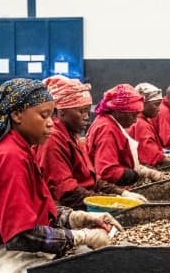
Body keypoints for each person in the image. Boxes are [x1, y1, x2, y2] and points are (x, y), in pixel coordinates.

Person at [0, 78, 121, 273]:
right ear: (16, 115)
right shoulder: (10, 158)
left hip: (11, 258)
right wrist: (82, 236)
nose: (50, 124)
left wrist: (76, 218)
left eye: (51, 116)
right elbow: (22, 235)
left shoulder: (21, 149)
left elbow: (37, 207)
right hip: (3, 272)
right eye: (43, 116)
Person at [36, 76, 146, 210]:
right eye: (81, 111)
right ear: (61, 111)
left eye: (88, 111)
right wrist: (109, 202)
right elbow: (66, 192)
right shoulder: (52, 139)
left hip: (82, 201)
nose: (87, 117)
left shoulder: (72, 136)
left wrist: (121, 193)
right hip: (65, 211)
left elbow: (91, 179)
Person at [86, 83, 163, 186]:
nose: (135, 120)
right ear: (120, 112)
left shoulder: (110, 123)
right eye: (133, 115)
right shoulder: (107, 129)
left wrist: (144, 170)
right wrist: (136, 175)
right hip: (110, 190)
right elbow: (108, 172)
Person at [127, 82, 170, 168]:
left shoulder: (142, 120)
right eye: (156, 104)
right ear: (142, 103)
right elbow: (152, 156)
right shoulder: (141, 124)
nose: (159, 109)